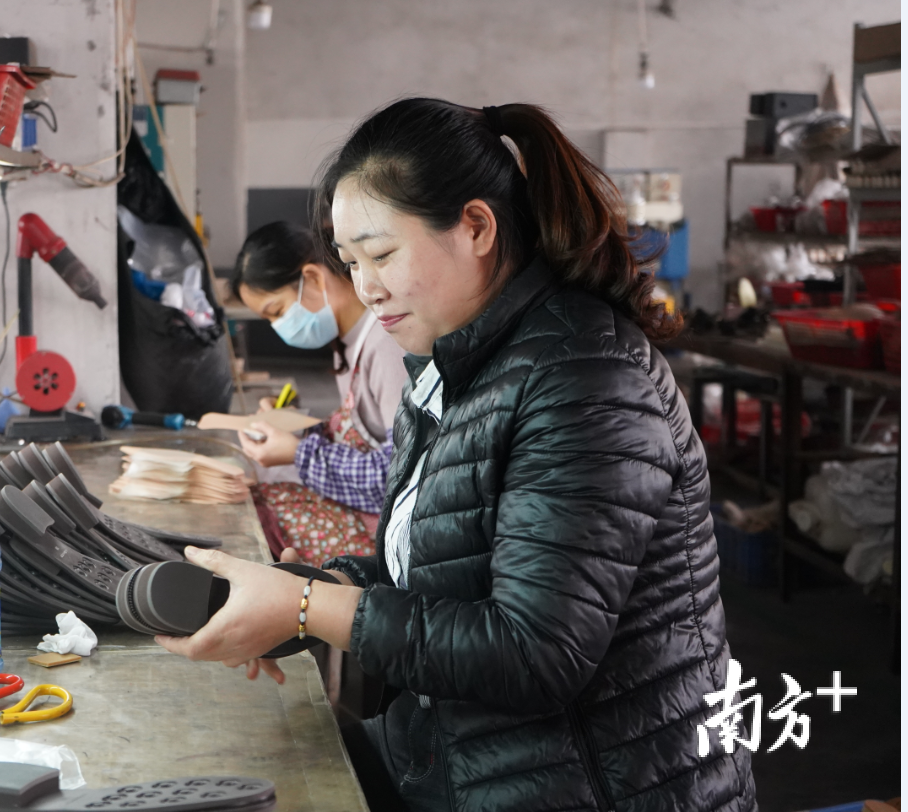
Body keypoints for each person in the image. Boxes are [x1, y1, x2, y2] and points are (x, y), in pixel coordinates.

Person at [156, 99, 757, 812]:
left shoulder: (586, 378)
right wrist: (295, 601)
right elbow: (432, 566)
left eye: (381, 254)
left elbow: (536, 652)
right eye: (351, 261)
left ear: (475, 226)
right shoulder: (450, 368)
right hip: (469, 756)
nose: (367, 287)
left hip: (596, 783)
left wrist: (313, 604)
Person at [229, 221, 406, 567]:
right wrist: (289, 424)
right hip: (367, 507)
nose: (279, 327)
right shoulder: (349, 342)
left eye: (277, 312)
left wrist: (298, 454)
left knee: (261, 518)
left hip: (390, 529)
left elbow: (398, 477)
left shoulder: (386, 346)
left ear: (312, 278)